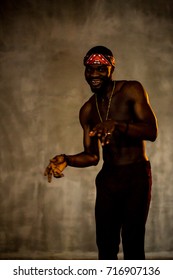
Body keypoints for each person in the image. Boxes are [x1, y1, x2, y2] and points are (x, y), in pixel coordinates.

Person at [44, 46, 158, 260]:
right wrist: (67, 159)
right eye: (89, 69)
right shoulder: (87, 110)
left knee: (133, 244)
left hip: (136, 176)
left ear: (111, 69)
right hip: (108, 179)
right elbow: (92, 156)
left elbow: (151, 132)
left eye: (100, 69)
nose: (94, 75)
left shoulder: (131, 90)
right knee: (105, 245)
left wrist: (118, 125)